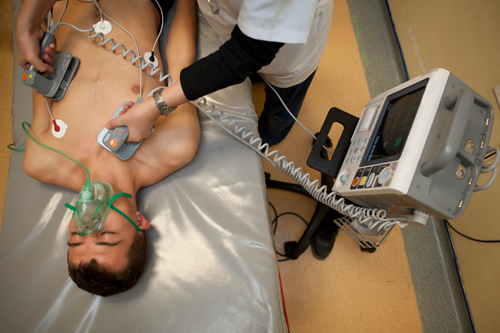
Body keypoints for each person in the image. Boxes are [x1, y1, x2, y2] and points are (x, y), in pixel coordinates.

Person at [17, 0, 200, 296]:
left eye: (77, 235)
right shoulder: (174, 147)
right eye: (105, 234)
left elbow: (41, 73)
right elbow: (181, 63)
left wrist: (35, 24)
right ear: (139, 222)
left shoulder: (42, 160)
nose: (88, 220)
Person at [99, 0, 334, 147]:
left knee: (281, 111)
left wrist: (156, 105)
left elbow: (246, 54)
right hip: (234, 28)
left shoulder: (178, 147)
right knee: (245, 73)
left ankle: (270, 137)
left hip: (287, 54)